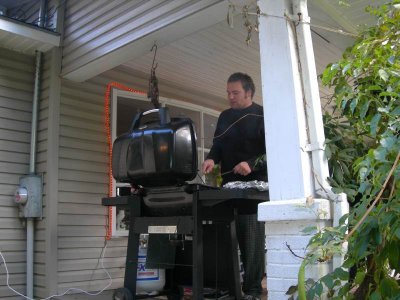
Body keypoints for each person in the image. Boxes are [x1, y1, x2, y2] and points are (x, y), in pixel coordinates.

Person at [202, 72, 267, 300]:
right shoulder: (224, 116)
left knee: (251, 242)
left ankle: (253, 291)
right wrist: (211, 158)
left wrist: (251, 164)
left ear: (249, 92)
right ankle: (227, 288)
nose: (230, 97)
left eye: (235, 93)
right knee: (225, 239)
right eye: (228, 92)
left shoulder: (262, 116)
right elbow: (218, 145)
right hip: (228, 189)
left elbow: (274, 152)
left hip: (254, 191)